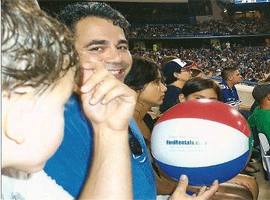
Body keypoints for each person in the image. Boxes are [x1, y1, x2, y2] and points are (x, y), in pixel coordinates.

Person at [43, 2, 219, 200]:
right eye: (97, 47)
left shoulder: (119, 108)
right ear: (63, 55)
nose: (116, 57)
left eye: (121, 46)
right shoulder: (56, 129)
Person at [2, 1, 133, 199]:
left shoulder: (14, 176)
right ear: (18, 118)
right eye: (62, 105)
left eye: (122, 46)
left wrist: (110, 130)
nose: (116, 56)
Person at [178, 77, 260, 200]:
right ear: (183, 99)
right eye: (198, 98)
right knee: (241, 195)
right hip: (185, 179)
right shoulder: (174, 125)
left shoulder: (214, 125)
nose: (205, 104)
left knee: (251, 183)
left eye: (212, 100)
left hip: (209, 171)